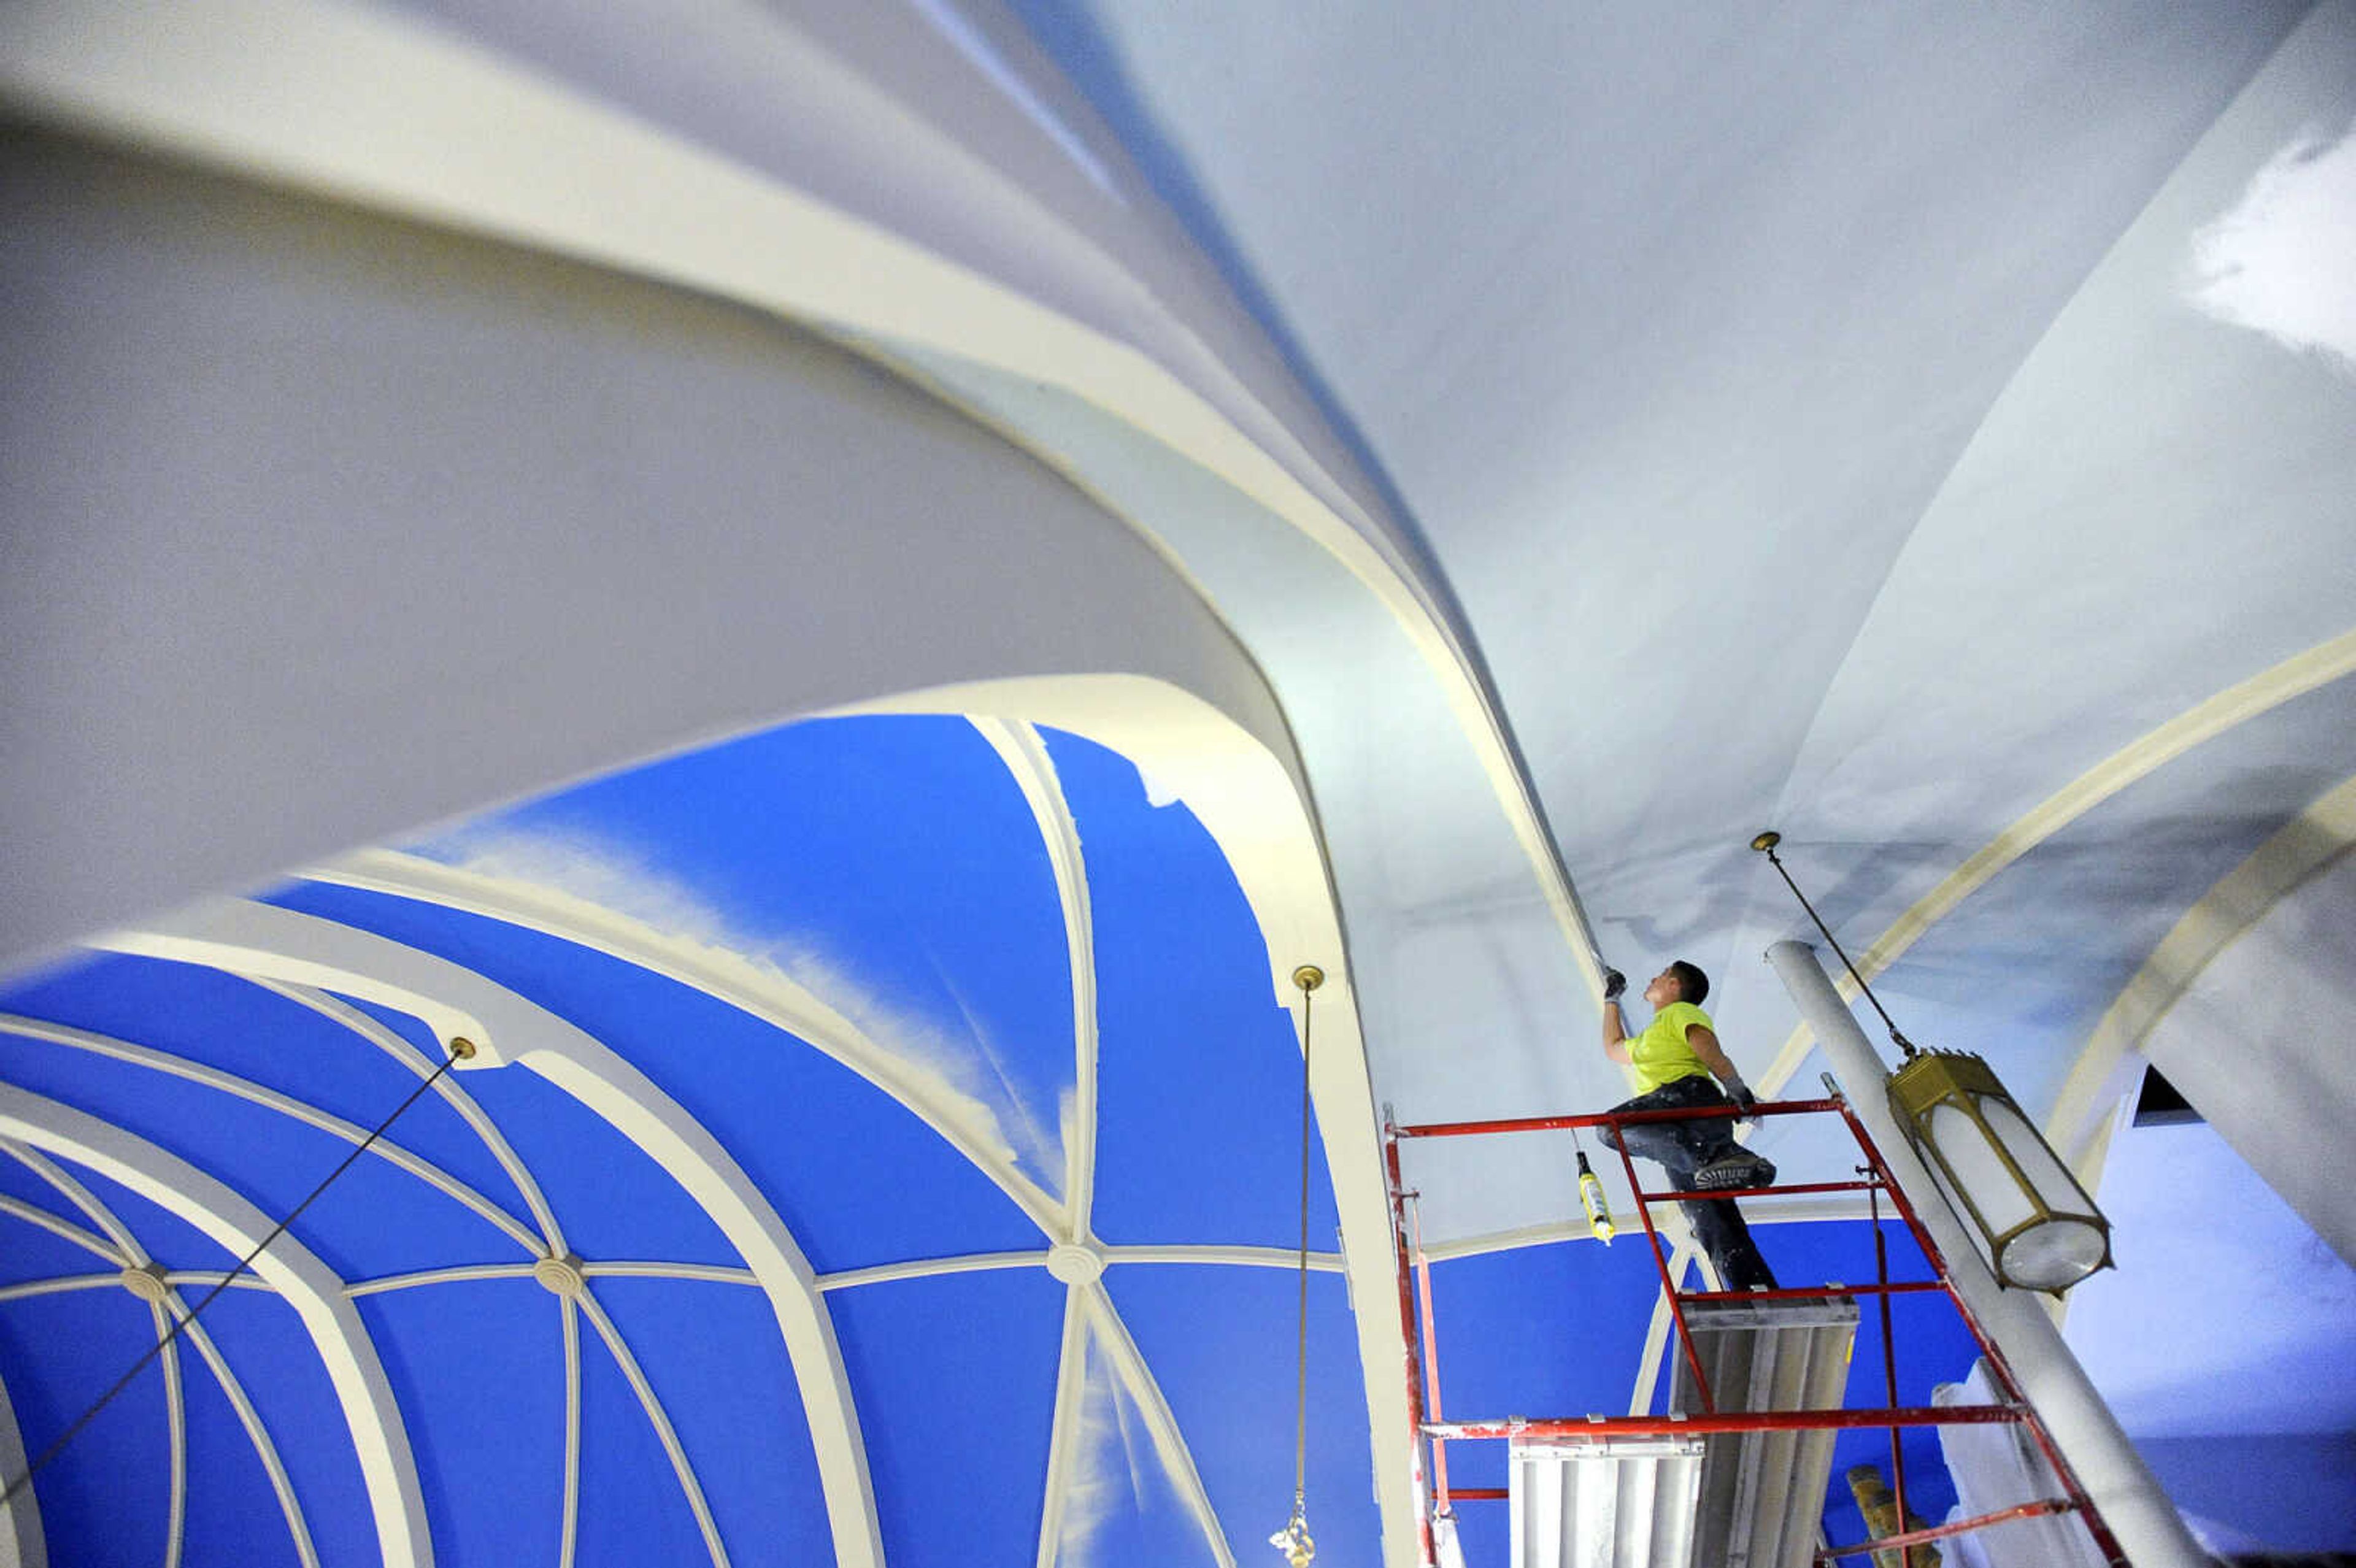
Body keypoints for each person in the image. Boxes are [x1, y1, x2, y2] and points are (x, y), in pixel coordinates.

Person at [1596, 959, 1780, 1291]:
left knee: (1611, 1128)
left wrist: (1734, 1085)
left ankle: (1715, 1158)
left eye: (1662, 975)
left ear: (1675, 987)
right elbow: (1614, 1049)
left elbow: (1703, 1042)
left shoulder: (1678, 1012)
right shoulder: (1653, 1036)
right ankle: (1755, 1291)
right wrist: (1612, 1000)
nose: (1654, 977)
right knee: (1710, 1218)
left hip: (1687, 1099)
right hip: (1677, 1130)